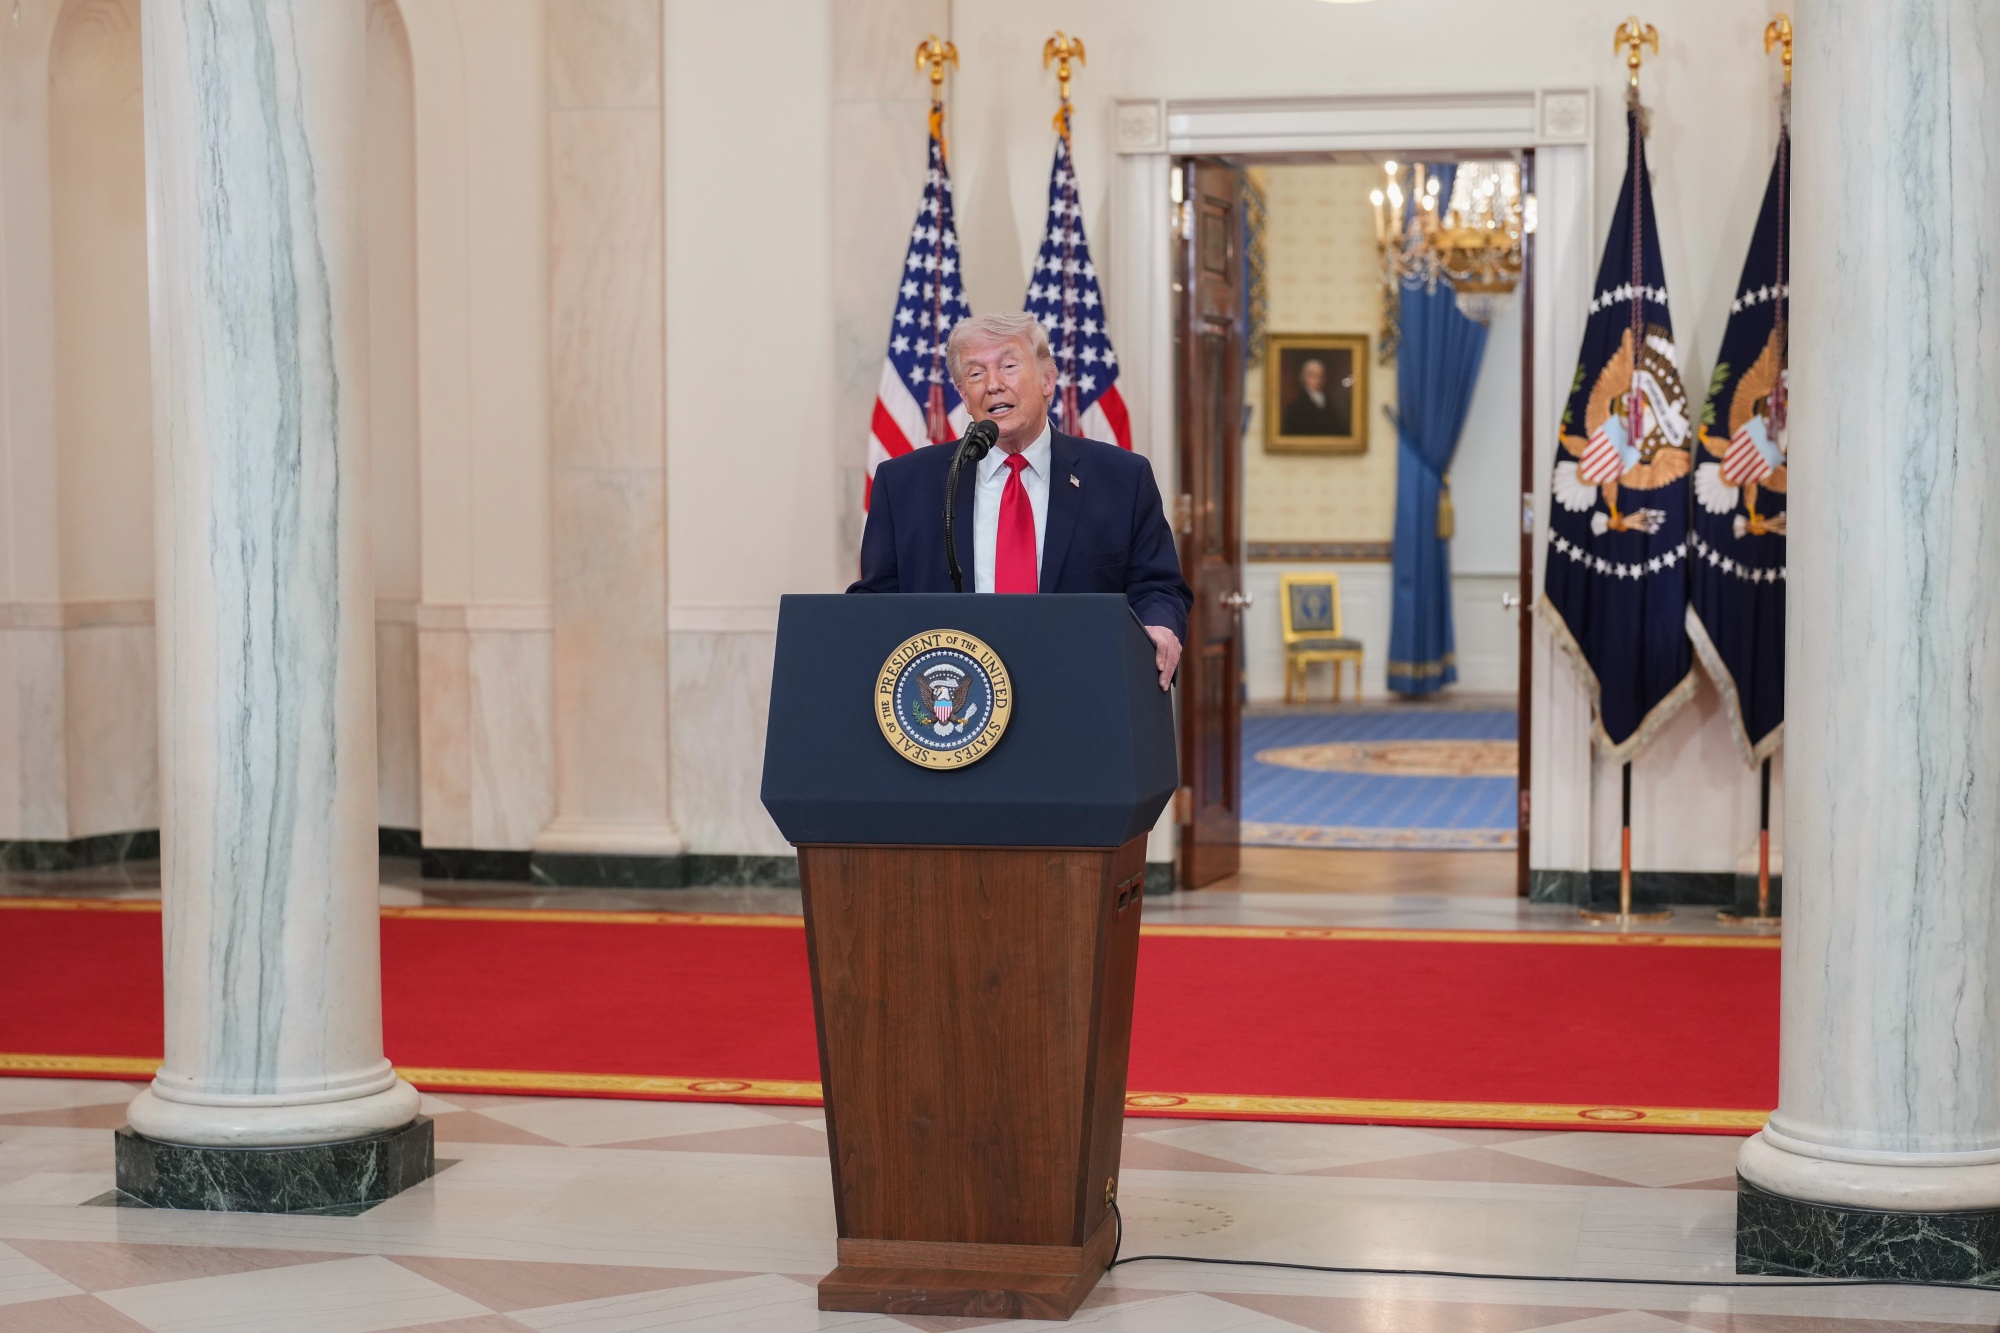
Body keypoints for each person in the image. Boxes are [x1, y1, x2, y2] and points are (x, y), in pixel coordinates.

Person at [851, 312, 1193, 691]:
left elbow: (1157, 587)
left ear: (1047, 380)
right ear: (963, 395)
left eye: (1009, 366)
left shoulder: (1122, 478)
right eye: (975, 373)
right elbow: (876, 603)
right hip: (955, 704)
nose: (993, 385)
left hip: (1082, 692)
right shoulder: (904, 484)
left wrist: (1158, 625)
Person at [1280, 355, 1350, 437]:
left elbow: (1340, 427)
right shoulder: (1295, 406)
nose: (1319, 379)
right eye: (1315, 375)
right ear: (1305, 378)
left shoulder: (1330, 401)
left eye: (1321, 375)